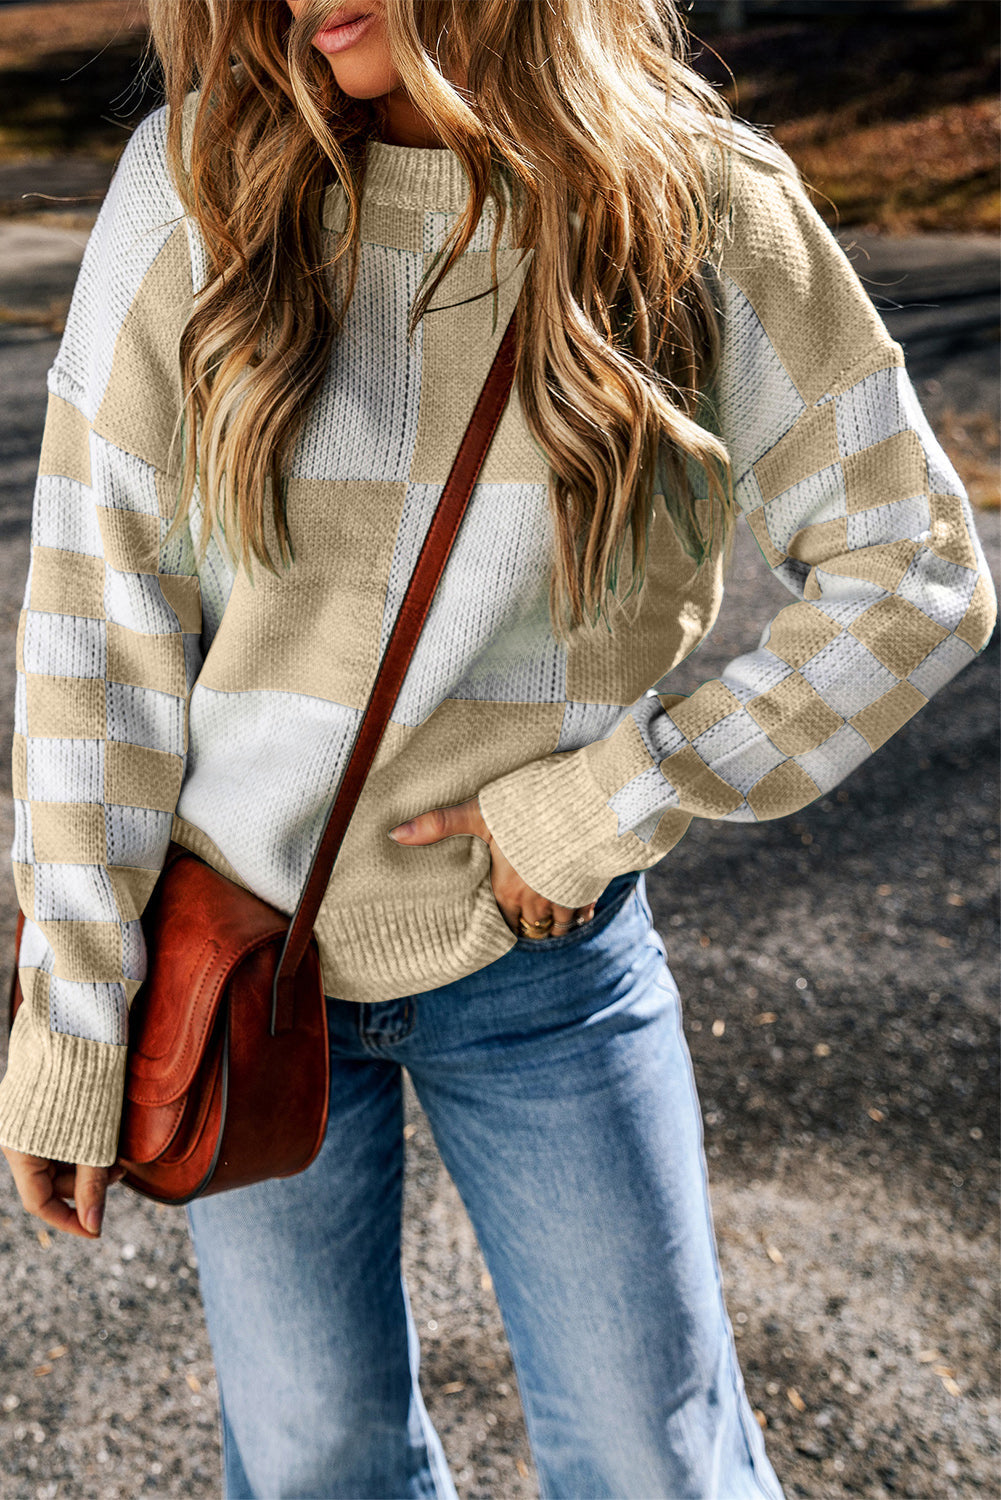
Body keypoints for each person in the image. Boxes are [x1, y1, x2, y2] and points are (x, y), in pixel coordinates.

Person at [0, 1, 994, 1495]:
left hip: (543, 961)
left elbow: (914, 574)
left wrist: (607, 801)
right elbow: (94, 625)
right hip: (236, 965)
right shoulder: (194, 183)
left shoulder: (693, 204)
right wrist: (70, 1015)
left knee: (653, 1465)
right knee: (316, 1463)